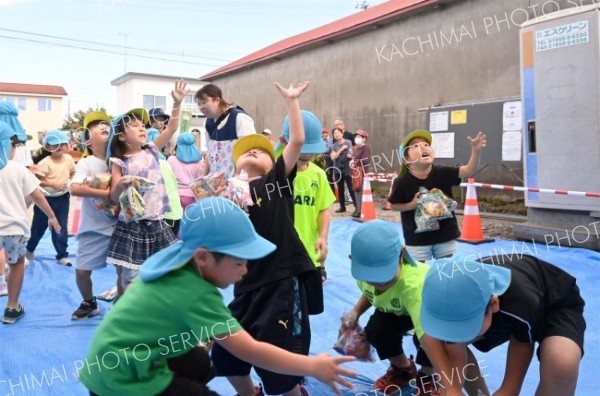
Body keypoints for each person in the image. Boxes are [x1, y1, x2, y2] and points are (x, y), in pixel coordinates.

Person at [78, 197, 356, 396]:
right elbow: (251, 350)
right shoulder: (196, 294)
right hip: (121, 379)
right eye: (239, 262)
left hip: (112, 362)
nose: (245, 270)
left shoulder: (176, 262)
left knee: (199, 362)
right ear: (203, 257)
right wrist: (312, 365)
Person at [211, 82, 324, 396]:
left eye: (260, 150)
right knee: (226, 352)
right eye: (244, 151)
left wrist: (292, 102)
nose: (252, 151)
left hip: (280, 281)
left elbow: (298, 140)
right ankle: (248, 392)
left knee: (278, 355)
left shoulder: (276, 182)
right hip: (246, 285)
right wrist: (219, 202)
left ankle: (291, 393)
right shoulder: (232, 193)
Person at [420, 254, 586, 396]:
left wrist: (508, 389)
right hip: (495, 308)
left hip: (554, 303)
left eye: (466, 328)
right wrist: (452, 389)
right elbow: (454, 352)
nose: (458, 336)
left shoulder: (518, 301)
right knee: (439, 344)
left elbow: (522, 342)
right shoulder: (448, 295)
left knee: (562, 364)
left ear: (493, 305)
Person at [346, 220, 457, 395]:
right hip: (398, 309)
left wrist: (449, 386)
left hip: (432, 307)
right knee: (376, 330)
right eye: (372, 277)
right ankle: (403, 369)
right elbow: (369, 293)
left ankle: (428, 375)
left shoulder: (413, 284)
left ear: (402, 254)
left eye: (386, 274)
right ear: (353, 261)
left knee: (430, 340)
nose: (379, 282)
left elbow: (427, 335)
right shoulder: (361, 274)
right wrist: (356, 312)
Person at [106, 80, 187, 289]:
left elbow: (172, 128)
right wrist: (121, 184)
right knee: (131, 278)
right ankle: (127, 314)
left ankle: (157, 311)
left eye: (143, 125)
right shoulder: (119, 162)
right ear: (121, 136)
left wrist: (177, 103)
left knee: (164, 273)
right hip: (133, 226)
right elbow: (114, 197)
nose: (142, 127)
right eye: (134, 125)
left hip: (158, 223)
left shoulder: (151, 150)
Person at [388, 129, 487, 261]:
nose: (423, 146)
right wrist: (411, 205)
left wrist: (476, 150)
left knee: (447, 271)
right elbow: (394, 205)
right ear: (406, 159)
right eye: (415, 146)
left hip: (445, 236)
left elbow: (469, 169)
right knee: (419, 274)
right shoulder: (401, 182)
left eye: (426, 144)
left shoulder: (443, 172)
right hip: (417, 239)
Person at [0, 121, 61, 324]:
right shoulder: (17, 169)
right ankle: (12, 307)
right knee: (16, 264)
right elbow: (37, 197)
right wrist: (52, 216)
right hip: (14, 229)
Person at [69, 111, 119, 320]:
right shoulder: (86, 164)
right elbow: (74, 187)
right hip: (93, 230)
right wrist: (107, 193)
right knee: (82, 272)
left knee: (125, 271)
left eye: (106, 123)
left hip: (120, 228)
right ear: (88, 140)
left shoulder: (119, 159)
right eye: (97, 125)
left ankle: (124, 303)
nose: (103, 125)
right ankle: (89, 302)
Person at [277, 110, 336, 284]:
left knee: (305, 304)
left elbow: (323, 209)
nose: (307, 156)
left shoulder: (318, 174)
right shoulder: (275, 173)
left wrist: (323, 237)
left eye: (311, 152)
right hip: (280, 253)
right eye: (301, 151)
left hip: (309, 251)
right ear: (283, 142)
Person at [25, 129, 75, 266]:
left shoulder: (69, 159)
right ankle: (29, 250)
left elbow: (72, 172)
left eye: (60, 144)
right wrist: (52, 184)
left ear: (66, 145)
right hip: (45, 199)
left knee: (61, 226)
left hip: (63, 198)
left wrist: (69, 181)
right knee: (38, 227)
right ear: (48, 147)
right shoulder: (45, 163)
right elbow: (38, 180)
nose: (57, 148)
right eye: (53, 145)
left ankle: (61, 256)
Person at [195, 83, 256, 178]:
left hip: (237, 183)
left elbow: (251, 152)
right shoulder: (207, 123)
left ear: (217, 100)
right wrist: (203, 175)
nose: (201, 107)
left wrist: (238, 179)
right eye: (199, 104)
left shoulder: (239, 118)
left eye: (204, 102)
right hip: (216, 186)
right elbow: (210, 152)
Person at [146, 128, 184, 237]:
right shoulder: (165, 162)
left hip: (162, 214)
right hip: (176, 211)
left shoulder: (147, 164)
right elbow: (174, 184)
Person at [167, 132, 208, 210]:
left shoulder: (171, 160)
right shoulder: (200, 161)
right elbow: (201, 180)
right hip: (194, 197)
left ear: (178, 145)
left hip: (175, 197)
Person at [330, 127, 356, 213]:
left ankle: (357, 207)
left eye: (338, 132)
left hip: (347, 169)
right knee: (340, 189)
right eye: (334, 134)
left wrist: (346, 152)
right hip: (337, 170)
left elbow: (349, 155)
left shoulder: (348, 142)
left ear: (342, 133)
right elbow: (333, 157)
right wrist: (342, 150)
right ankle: (342, 207)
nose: (336, 134)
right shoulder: (334, 146)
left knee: (350, 188)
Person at [350, 129, 371, 218]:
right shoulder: (355, 148)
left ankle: (361, 211)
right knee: (356, 190)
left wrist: (356, 162)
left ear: (364, 139)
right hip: (355, 172)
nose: (357, 139)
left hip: (362, 172)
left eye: (359, 137)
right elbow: (353, 157)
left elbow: (366, 160)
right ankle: (358, 209)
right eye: (356, 137)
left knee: (361, 191)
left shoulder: (366, 148)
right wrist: (351, 161)